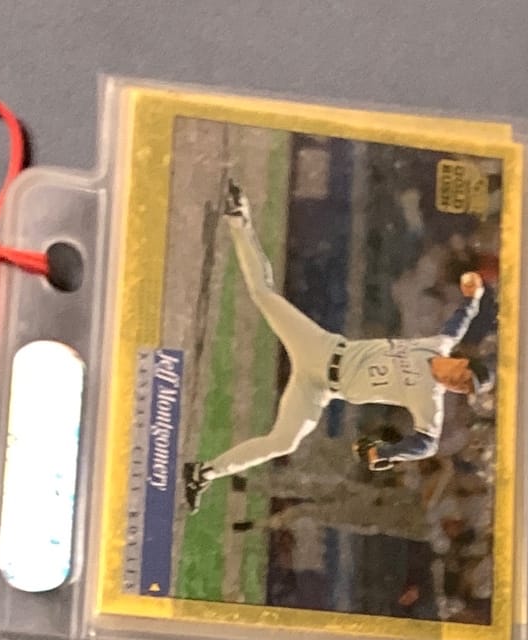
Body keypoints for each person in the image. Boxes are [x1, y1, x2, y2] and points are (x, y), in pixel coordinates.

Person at [182, 180, 492, 511]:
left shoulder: (430, 399)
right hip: (320, 348)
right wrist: (474, 297)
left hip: (319, 389)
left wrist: (386, 453)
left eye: (463, 389)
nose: (458, 386)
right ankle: (239, 218)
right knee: (264, 294)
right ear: (462, 363)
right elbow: (459, 321)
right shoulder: (438, 345)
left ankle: (203, 472)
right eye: (464, 378)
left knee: (284, 441)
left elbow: (427, 444)